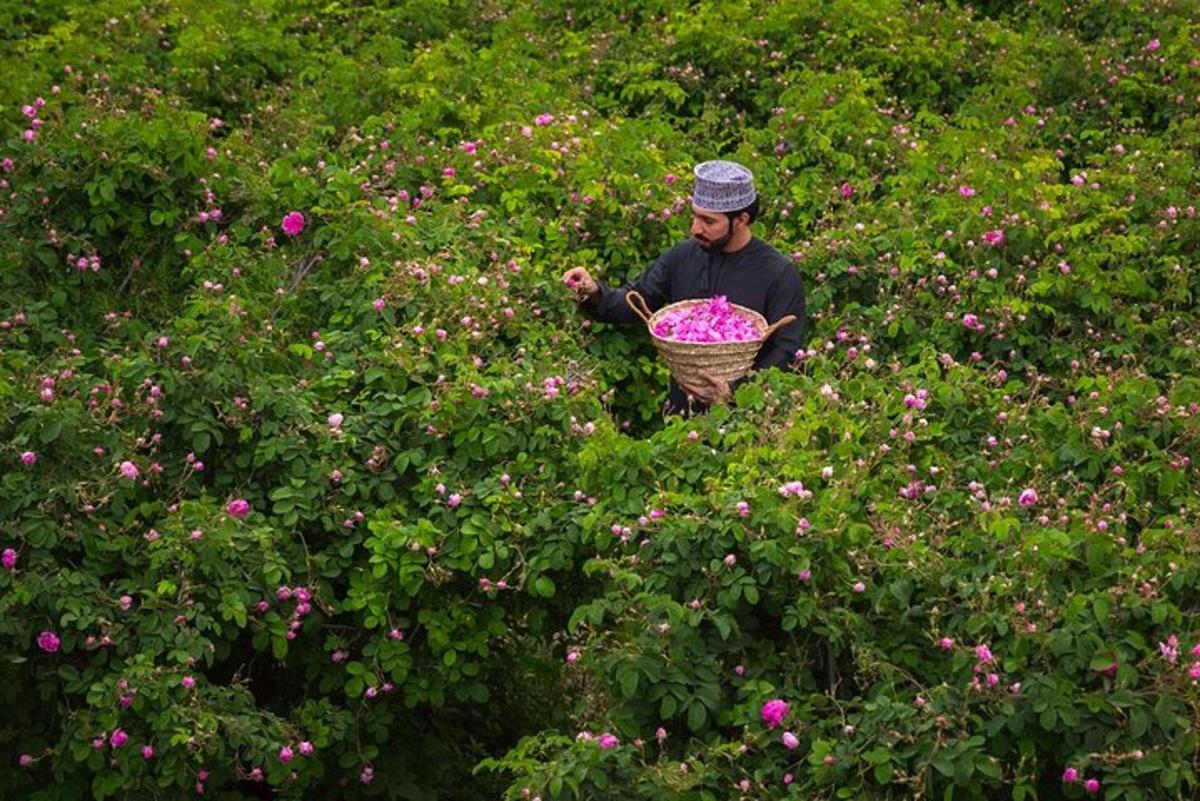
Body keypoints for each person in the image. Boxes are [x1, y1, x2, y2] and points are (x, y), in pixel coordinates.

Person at [563, 160, 806, 416]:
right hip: (682, 417)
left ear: (741, 220)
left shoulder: (778, 273)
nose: (695, 228)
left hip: (748, 422)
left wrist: (735, 391)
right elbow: (637, 302)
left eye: (708, 221)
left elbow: (787, 351)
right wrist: (593, 292)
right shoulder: (682, 258)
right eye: (695, 215)